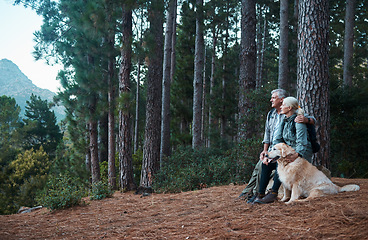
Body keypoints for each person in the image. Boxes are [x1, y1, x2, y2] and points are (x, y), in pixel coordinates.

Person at [239, 90, 315, 203]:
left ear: (289, 108)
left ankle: (273, 193)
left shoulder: (299, 120)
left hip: (298, 152)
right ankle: (259, 194)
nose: (281, 106)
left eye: (283, 104)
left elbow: (302, 143)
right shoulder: (281, 119)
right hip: (285, 150)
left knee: (280, 164)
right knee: (266, 163)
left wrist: (296, 155)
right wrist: (269, 154)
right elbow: (276, 139)